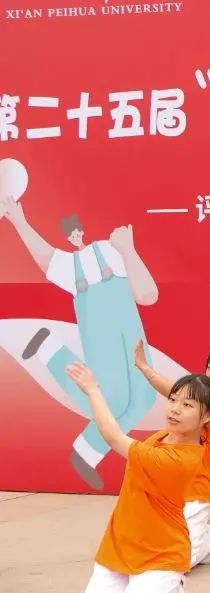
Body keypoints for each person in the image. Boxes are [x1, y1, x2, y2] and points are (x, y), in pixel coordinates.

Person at [1, 196, 158, 490]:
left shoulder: (114, 251)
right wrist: (19, 221)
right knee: (109, 399)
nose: (76, 237)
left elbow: (147, 294)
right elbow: (45, 257)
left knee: (143, 397)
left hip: (132, 335)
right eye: (71, 233)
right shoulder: (73, 265)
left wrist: (128, 250)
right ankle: (85, 451)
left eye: (78, 231)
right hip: (101, 334)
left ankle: (50, 351)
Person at [71, 364, 210, 593]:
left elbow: (113, 437)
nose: (175, 409)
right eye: (173, 400)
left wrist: (93, 391)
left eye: (187, 405)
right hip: (120, 545)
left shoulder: (181, 460)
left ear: (209, 416)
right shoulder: (161, 438)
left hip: (160, 553)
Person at [134, 339, 210, 568]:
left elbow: (177, 392)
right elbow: (178, 394)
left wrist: (145, 368)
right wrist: (144, 367)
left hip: (195, 491)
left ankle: (209, 534)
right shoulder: (197, 403)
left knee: (180, 562)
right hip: (167, 485)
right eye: (209, 366)